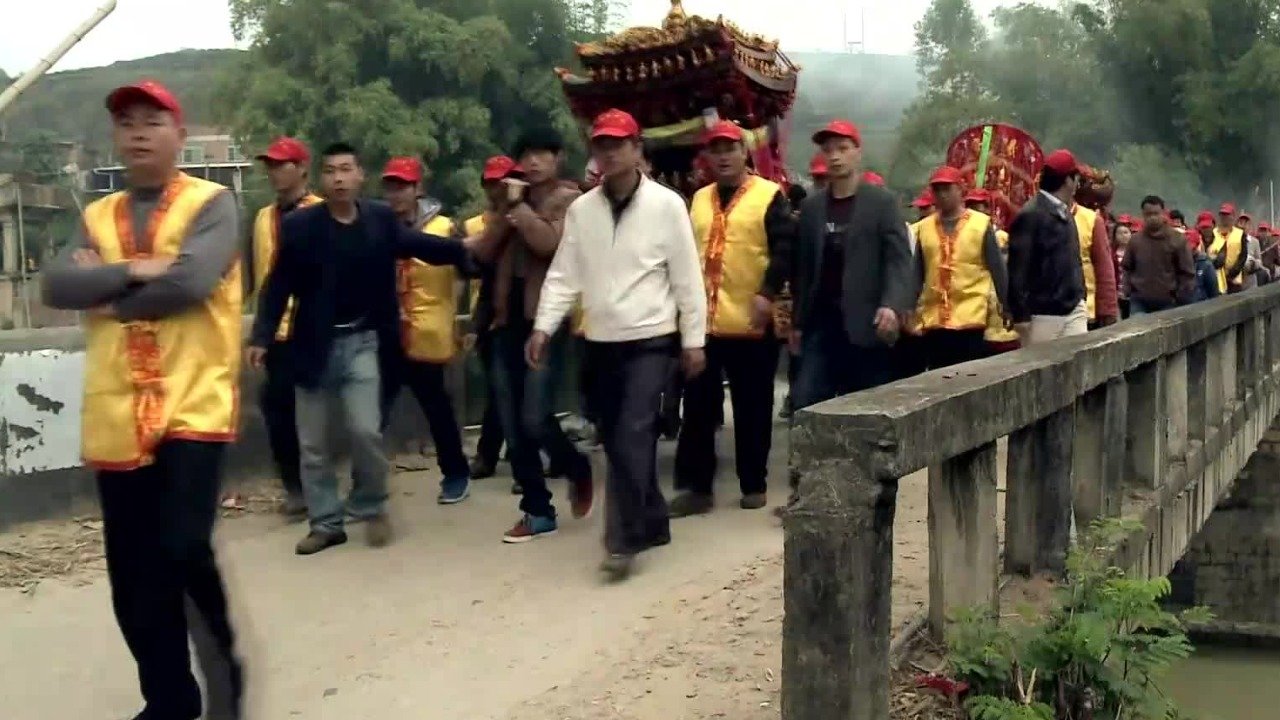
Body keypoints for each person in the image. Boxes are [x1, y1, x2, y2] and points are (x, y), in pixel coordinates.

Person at [42, 80, 245, 720]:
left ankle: (225, 683)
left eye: (152, 120)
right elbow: (54, 282)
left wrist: (100, 289)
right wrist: (135, 269)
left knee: (183, 547)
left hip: (192, 403)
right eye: (126, 121)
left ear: (179, 136)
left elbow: (189, 281)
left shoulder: (215, 203)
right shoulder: (97, 215)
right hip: (116, 413)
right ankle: (169, 701)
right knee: (130, 576)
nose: (137, 132)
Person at [248, 142, 474, 555]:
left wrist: (464, 251)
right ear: (321, 178)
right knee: (313, 445)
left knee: (366, 430)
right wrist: (261, 336)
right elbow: (277, 286)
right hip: (312, 346)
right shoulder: (301, 228)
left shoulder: (379, 219)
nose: (338, 178)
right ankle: (326, 523)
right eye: (330, 170)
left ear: (359, 176)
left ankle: (370, 502)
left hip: (364, 342)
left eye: (345, 169)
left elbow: (418, 245)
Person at [529, 108, 708, 579]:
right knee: (616, 439)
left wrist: (694, 340)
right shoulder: (582, 211)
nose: (609, 152)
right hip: (600, 340)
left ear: (637, 149)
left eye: (618, 143)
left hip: (652, 339)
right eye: (601, 144)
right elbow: (565, 275)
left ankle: (620, 541)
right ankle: (651, 517)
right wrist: (544, 326)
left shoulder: (667, 205)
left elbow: (688, 279)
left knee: (632, 435)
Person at [470, 126, 594, 543]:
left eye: (542, 154)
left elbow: (547, 244)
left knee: (535, 418)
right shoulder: (511, 201)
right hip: (507, 322)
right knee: (510, 421)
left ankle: (576, 466)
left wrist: (519, 210)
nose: (534, 162)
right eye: (527, 155)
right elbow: (483, 254)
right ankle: (537, 510)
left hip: (547, 322)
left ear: (558, 158)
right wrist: (506, 215)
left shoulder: (572, 199)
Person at [785, 119, 917, 507]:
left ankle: (871, 491)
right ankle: (807, 490)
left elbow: (899, 262)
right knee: (807, 403)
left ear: (857, 151)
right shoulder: (811, 208)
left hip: (866, 326)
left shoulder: (881, 203)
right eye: (829, 149)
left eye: (842, 147)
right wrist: (795, 322)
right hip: (821, 327)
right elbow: (803, 268)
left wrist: (892, 305)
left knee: (868, 414)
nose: (835, 156)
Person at [669, 120, 793, 517]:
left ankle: (753, 483)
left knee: (752, 406)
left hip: (752, 321)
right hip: (704, 321)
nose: (722, 156)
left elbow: (786, 250)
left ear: (745, 153)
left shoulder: (770, 195)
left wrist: (767, 293)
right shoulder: (698, 199)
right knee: (699, 407)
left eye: (730, 148)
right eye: (715, 149)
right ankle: (697, 488)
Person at [379, 156, 472, 504]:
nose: (396, 193)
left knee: (437, 409)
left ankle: (456, 473)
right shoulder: (376, 226)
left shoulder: (446, 228)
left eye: (403, 186)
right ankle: (367, 484)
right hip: (385, 333)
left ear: (419, 189)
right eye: (390, 186)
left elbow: (468, 272)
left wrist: (457, 320)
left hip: (427, 332)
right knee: (372, 413)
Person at [250, 136, 324, 519]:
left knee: (316, 414)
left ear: (302, 169)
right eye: (271, 165)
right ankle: (294, 487)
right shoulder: (263, 217)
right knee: (277, 409)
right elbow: (262, 277)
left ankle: (321, 488)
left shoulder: (321, 212)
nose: (275, 172)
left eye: (283, 164)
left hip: (313, 329)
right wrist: (259, 333)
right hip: (276, 333)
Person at [913, 166, 1009, 369]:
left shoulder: (981, 225)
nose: (942, 195)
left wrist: (1008, 305)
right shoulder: (923, 228)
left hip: (970, 319)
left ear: (960, 189)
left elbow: (998, 269)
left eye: (947, 188)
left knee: (968, 376)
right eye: (937, 190)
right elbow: (917, 274)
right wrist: (906, 309)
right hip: (934, 321)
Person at [464, 156, 520, 481]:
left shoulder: (523, 219)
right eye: (491, 182)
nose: (496, 189)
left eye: (503, 182)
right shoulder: (482, 225)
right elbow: (480, 273)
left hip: (524, 316)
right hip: (490, 316)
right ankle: (493, 453)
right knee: (500, 390)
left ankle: (507, 452)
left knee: (514, 391)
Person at [1007, 149, 1088, 346]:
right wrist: (1020, 315)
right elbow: (1017, 270)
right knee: (1042, 372)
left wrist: (1081, 294)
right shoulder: (1030, 215)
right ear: (1068, 180)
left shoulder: (1065, 211)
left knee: (1079, 368)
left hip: (1074, 307)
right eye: (1076, 178)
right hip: (1043, 314)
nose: (1078, 184)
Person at [1122, 195, 1195, 315]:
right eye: (1148, 214)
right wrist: (1127, 289)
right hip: (1139, 301)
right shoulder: (1135, 240)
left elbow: (1187, 272)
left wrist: (1180, 298)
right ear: (1143, 215)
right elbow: (1127, 268)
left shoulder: (1177, 239)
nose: (1152, 218)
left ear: (1163, 213)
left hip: (1168, 302)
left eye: (1156, 213)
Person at [1070, 195, 1120, 329]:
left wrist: (1108, 311)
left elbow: (1104, 270)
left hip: (1085, 311)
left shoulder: (1091, 220)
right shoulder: (1034, 216)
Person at [1208, 203, 1248, 293]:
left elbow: (1243, 256)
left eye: (1227, 215)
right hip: (1216, 279)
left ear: (1233, 217)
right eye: (1222, 215)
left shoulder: (1240, 234)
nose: (1224, 218)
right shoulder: (1213, 233)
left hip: (1234, 279)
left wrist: (1233, 272)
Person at [1188, 216, 1223, 303]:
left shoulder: (1220, 241)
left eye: (1208, 227)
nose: (1206, 230)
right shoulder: (1181, 262)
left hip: (1219, 287)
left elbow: (1220, 261)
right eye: (1203, 227)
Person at [1111, 218, 1133, 318]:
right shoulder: (1111, 254)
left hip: (1134, 292)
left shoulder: (1136, 252)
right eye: (1119, 233)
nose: (1123, 236)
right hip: (1118, 292)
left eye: (1126, 232)